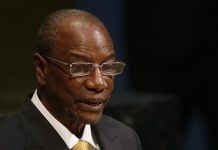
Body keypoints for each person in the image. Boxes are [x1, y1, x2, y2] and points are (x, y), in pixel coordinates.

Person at [0, 9, 142, 150]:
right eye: (80, 68)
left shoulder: (126, 139)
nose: (98, 83)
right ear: (41, 69)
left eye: (107, 67)